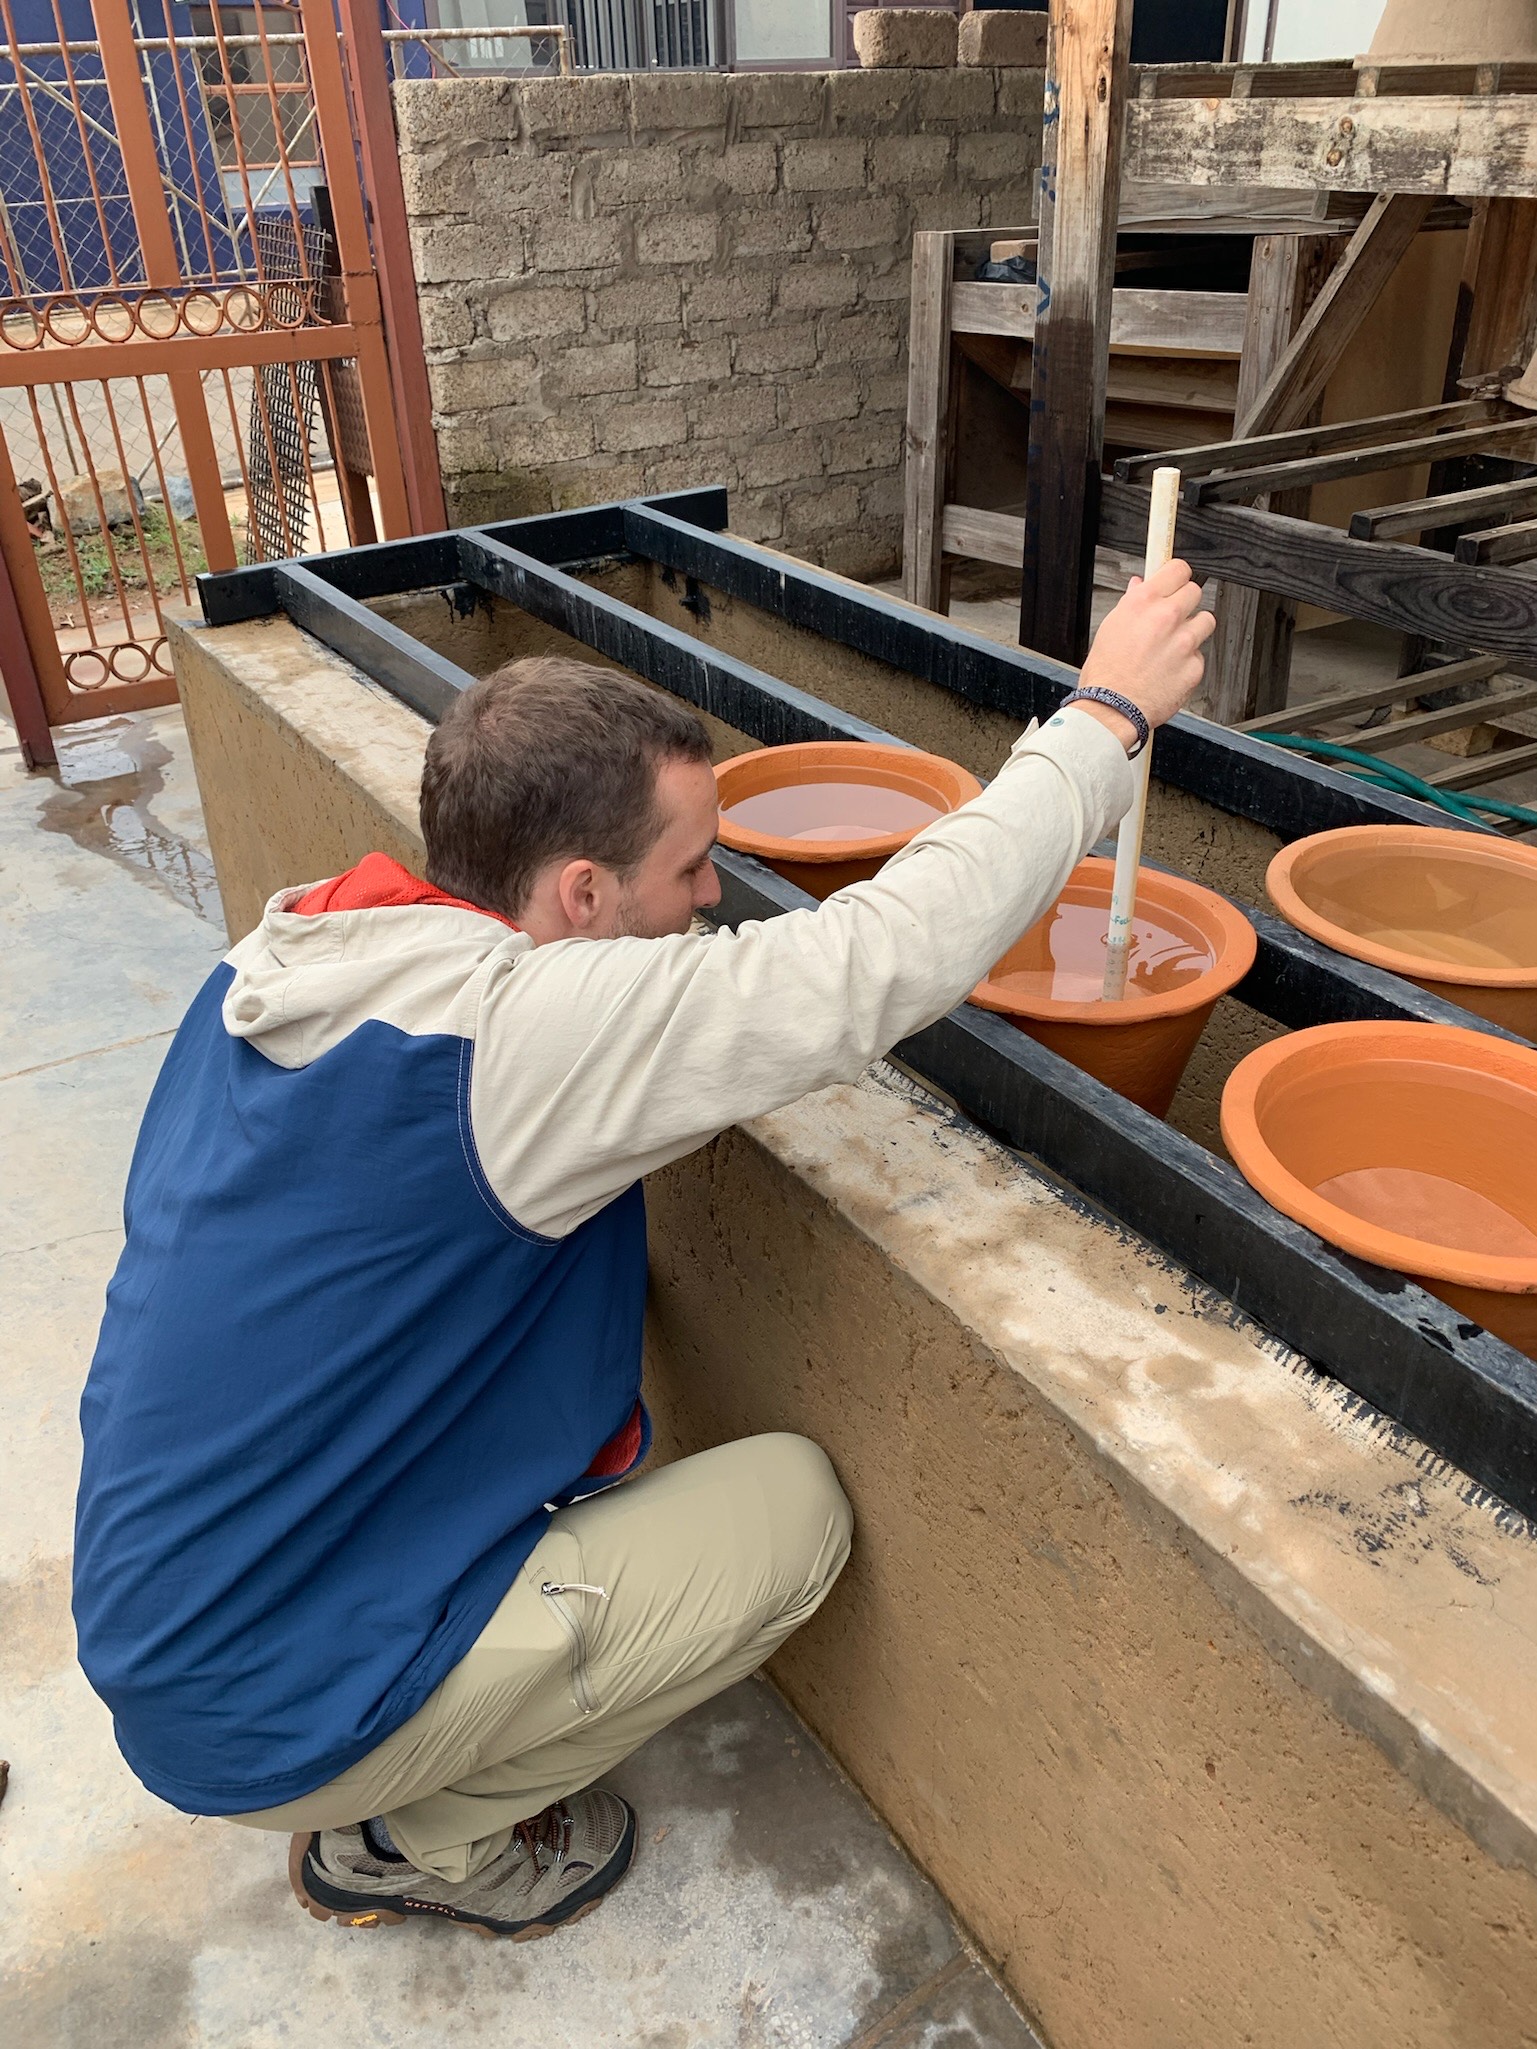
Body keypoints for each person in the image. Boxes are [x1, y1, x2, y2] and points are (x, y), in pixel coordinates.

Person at [73, 560, 1213, 1942]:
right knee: (789, 1514)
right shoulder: (523, 1043)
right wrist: (1103, 718)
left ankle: (385, 1753)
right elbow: (875, 963)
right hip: (262, 1708)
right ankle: (416, 1839)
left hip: (174, 1626)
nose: (716, 894)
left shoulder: (293, 954)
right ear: (580, 896)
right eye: (689, 866)